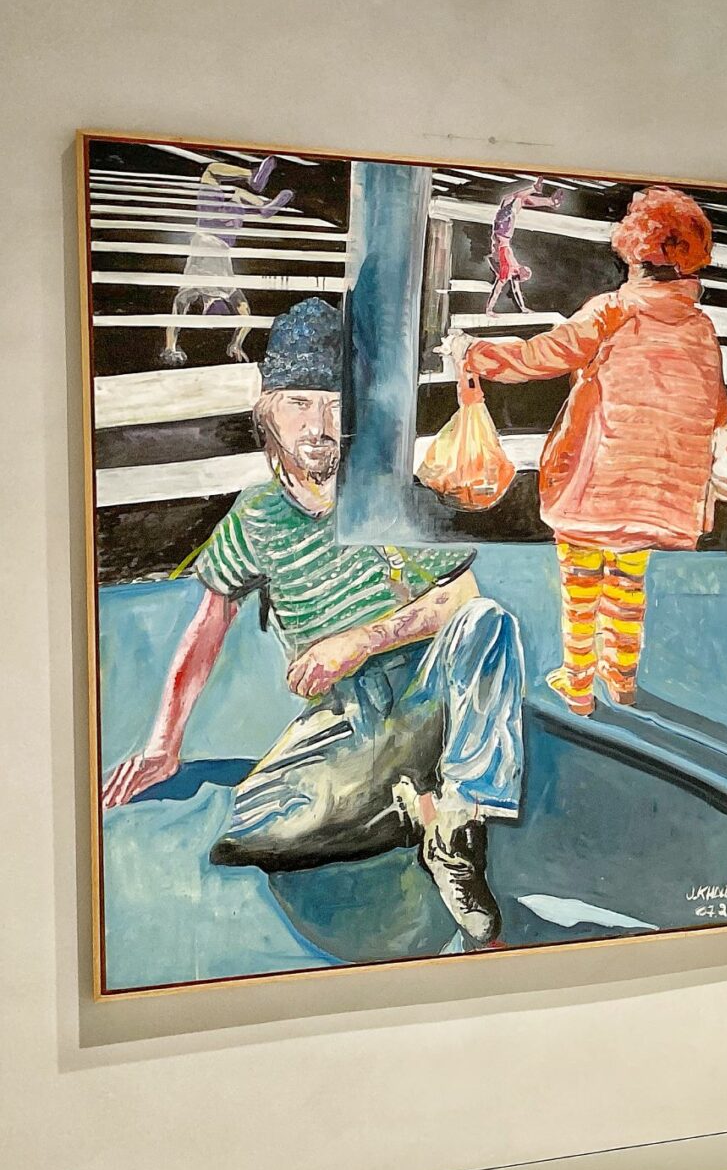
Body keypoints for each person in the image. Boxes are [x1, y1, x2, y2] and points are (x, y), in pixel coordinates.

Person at [102, 297, 525, 947]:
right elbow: (206, 630)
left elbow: (461, 599)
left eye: (333, 404)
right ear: (268, 411)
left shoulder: (385, 492)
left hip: (428, 692)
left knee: (490, 624)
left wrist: (359, 641)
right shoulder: (258, 516)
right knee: (250, 825)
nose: (319, 425)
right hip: (347, 720)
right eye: (299, 403)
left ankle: (457, 823)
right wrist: (164, 744)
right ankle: (416, 802)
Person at [458, 186, 727, 715]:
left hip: (596, 478)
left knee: (580, 583)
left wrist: (478, 354)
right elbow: (716, 407)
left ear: (634, 253)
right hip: (656, 489)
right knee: (628, 581)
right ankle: (621, 677)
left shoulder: (613, 311)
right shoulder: (701, 328)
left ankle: (579, 683)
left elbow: (543, 356)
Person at [161, 155, 295, 367]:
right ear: (205, 307)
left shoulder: (228, 290)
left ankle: (262, 205)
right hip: (208, 227)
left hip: (226, 236)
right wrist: (170, 346)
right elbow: (175, 318)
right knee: (211, 172)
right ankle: (254, 186)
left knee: (238, 195)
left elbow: (246, 317)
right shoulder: (192, 288)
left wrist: (236, 343)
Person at [485, 177, 563, 315]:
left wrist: (489, 310)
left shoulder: (507, 271)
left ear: (518, 274)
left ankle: (538, 191)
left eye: (526, 274)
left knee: (514, 199)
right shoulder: (512, 270)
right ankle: (549, 201)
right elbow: (516, 291)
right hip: (504, 233)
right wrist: (523, 308)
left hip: (502, 231)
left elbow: (497, 290)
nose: (527, 271)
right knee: (515, 200)